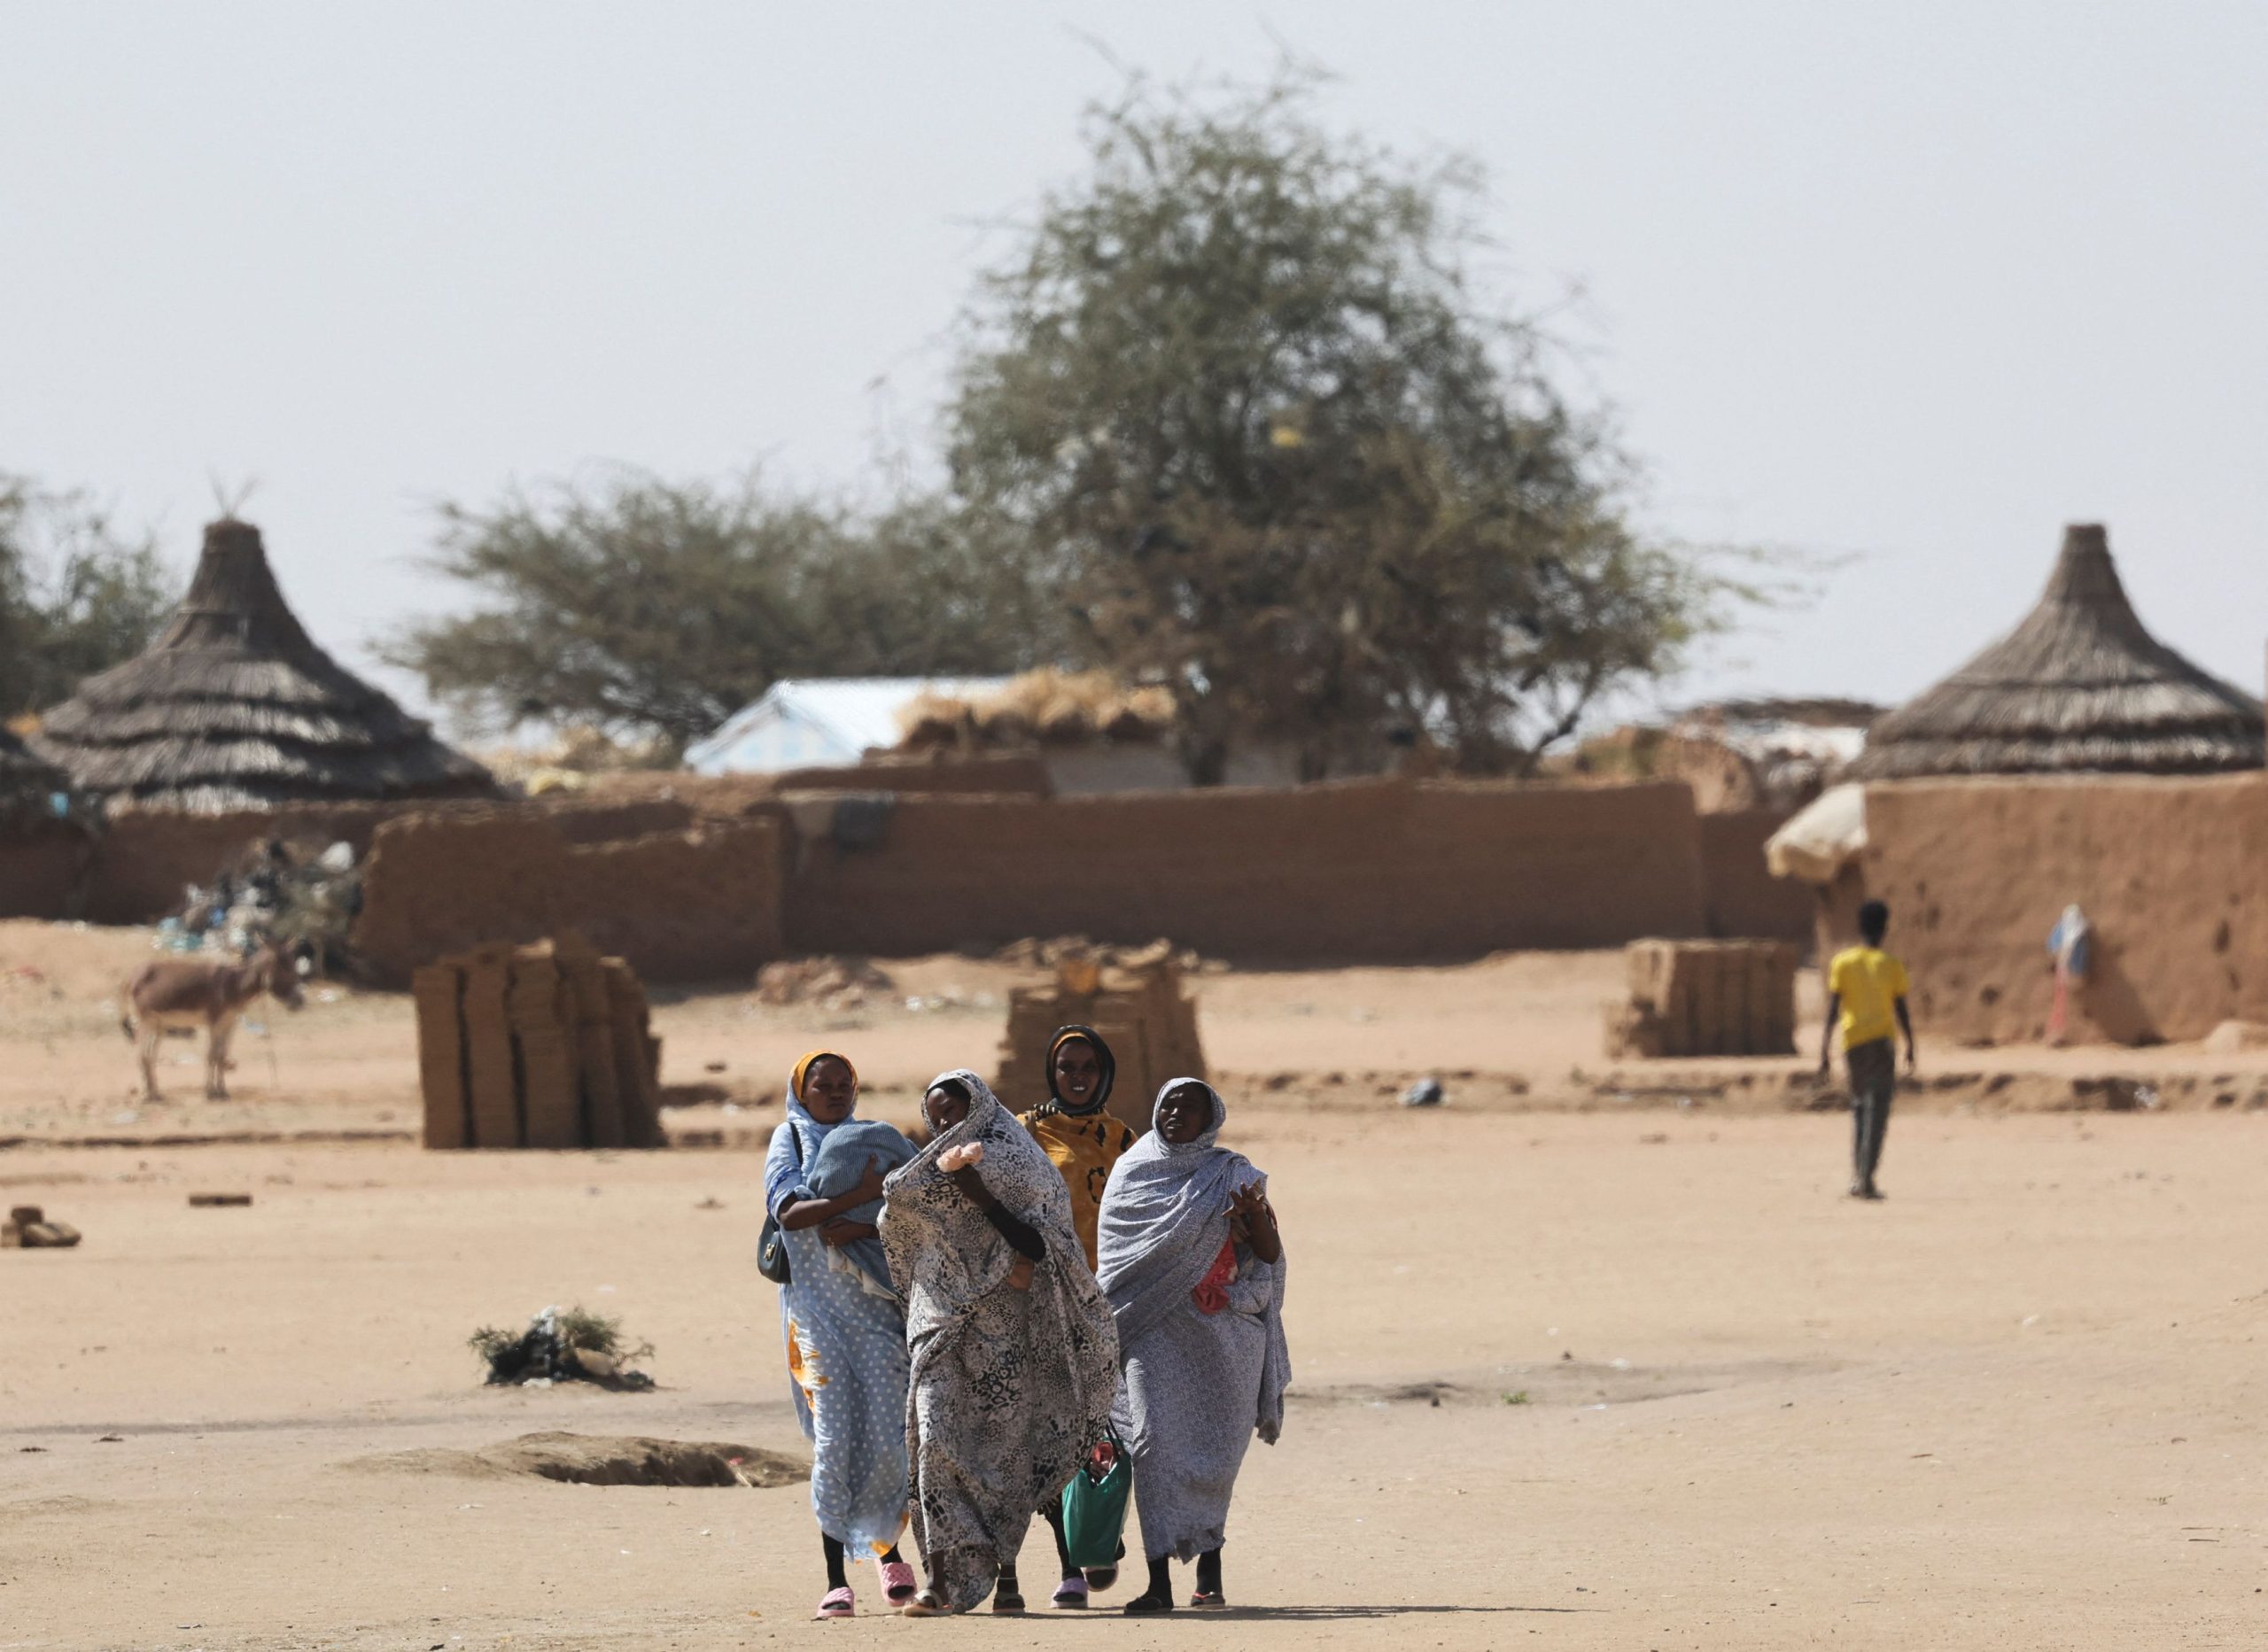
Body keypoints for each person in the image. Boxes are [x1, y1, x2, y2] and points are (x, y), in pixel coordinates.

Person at [881, 1070, 1119, 1617]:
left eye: (956, 1113)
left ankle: (1009, 1570)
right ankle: (941, 1582)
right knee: (935, 1441)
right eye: (936, 1116)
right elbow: (901, 1222)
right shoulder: (920, 1175)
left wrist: (977, 1192)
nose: (946, 1125)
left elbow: (1039, 1244)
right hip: (941, 1325)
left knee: (1001, 1457)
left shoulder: (1017, 1163)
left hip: (1010, 1340)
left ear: (983, 1111)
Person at [1095, 1078, 1290, 1615]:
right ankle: (1158, 1581)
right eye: (1170, 1103)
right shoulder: (1132, 1171)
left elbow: (1269, 1256)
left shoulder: (1234, 1174)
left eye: (1192, 1105)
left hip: (1225, 1333)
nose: (1178, 1111)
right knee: (1154, 1448)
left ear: (1213, 1116)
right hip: (1152, 1329)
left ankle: (1210, 1572)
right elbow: (1115, 1262)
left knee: (1213, 1459)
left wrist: (1251, 1218)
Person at [764, 1051, 920, 1619]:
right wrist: (863, 1195)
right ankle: (836, 1580)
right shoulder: (790, 1140)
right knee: (834, 1441)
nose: (831, 1093)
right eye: (820, 1085)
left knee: (889, 1438)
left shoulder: (874, 1141)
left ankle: (888, 1554)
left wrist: (862, 1216)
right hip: (815, 1318)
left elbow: (909, 1209)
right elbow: (791, 1213)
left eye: (841, 1084)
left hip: (878, 1314)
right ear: (800, 1091)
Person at [1015, 1026, 1138, 1607]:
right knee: (1048, 1432)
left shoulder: (1123, 1139)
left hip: (1106, 1303)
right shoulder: (1023, 1132)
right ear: (1052, 1070)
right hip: (1037, 1302)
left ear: (1105, 1070)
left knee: (1103, 1429)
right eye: (1066, 1065)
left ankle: (1097, 1531)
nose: (1077, 1074)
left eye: (1088, 1064)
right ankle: (1070, 1559)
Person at [1819, 900, 1917, 1200]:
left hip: (1853, 1043)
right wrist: (1911, 1044)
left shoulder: (1842, 962)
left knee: (1860, 1108)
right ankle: (1866, 1178)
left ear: (1859, 927)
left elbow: (1833, 1009)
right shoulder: (1891, 965)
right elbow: (1901, 1010)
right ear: (1884, 929)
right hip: (1882, 1043)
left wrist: (1824, 1048)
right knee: (1879, 1111)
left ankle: (1856, 1177)